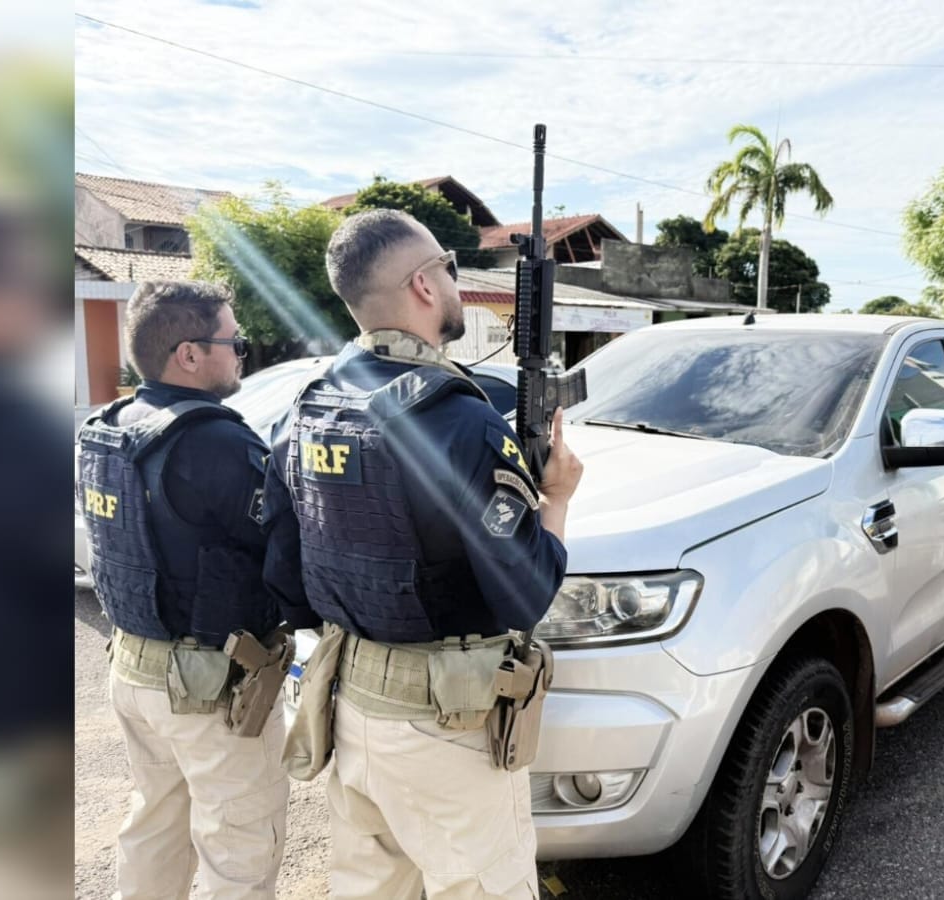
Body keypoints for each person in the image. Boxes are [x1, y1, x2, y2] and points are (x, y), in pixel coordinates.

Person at [263, 209, 582, 899]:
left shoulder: (306, 407)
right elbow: (527, 593)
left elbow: (285, 577)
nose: (456, 282)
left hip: (349, 704)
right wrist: (556, 498)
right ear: (423, 286)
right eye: (450, 267)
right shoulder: (458, 419)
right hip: (445, 726)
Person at [76, 280, 288, 899]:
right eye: (234, 341)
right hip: (207, 685)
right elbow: (279, 548)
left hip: (133, 666)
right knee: (239, 851)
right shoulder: (214, 440)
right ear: (190, 354)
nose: (242, 353)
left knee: (154, 827)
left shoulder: (106, 426)